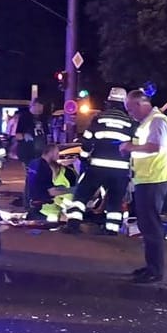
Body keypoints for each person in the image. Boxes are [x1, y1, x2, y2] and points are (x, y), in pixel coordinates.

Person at [119, 89, 167, 284]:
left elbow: (154, 147)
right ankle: (150, 266)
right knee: (146, 225)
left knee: (151, 226)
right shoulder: (147, 123)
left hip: (154, 179)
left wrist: (129, 148)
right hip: (146, 179)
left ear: (140, 104)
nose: (129, 113)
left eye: (130, 109)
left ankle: (155, 271)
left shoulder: (158, 121)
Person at [62, 87, 136, 235]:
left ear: (109, 102)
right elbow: (134, 146)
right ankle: (111, 230)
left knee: (82, 195)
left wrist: (83, 158)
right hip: (120, 170)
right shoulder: (130, 123)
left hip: (97, 167)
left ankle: (73, 224)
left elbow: (87, 141)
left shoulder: (99, 119)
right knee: (115, 201)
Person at [24, 143, 78, 222]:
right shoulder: (45, 168)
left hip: (32, 207)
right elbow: (52, 192)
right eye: (56, 154)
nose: (58, 157)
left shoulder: (34, 163)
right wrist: (72, 190)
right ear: (51, 153)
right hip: (43, 210)